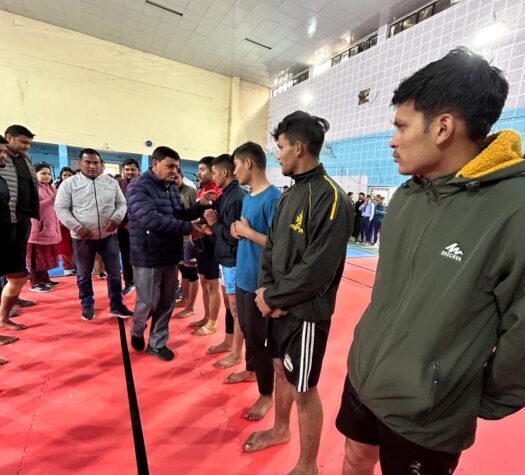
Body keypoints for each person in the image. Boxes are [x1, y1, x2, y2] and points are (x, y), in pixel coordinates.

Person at [336, 47, 525, 475]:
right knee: (354, 458)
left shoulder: (514, 209)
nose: (392, 140)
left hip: (428, 412)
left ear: (442, 128)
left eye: (401, 126)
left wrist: (465, 394)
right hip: (364, 377)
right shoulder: (408, 196)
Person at [244, 111, 353, 475]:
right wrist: (265, 292)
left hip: (306, 314)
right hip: (277, 307)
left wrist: (274, 299)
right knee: (279, 370)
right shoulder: (289, 196)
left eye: (280, 147)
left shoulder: (332, 199)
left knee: (304, 389)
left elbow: (317, 269)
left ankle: (308, 466)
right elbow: (272, 250)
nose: (277, 154)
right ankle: (280, 429)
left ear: (299, 147)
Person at [126, 146, 213, 361]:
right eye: (170, 166)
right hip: (147, 255)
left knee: (167, 301)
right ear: (155, 164)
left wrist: (199, 206)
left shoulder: (171, 188)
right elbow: (151, 219)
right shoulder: (138, 186)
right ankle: (137, 328)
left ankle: (157, 343)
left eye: (176, 167)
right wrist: (189, 228)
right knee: (147, 301)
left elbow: (179, 215)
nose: (174, 171)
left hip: (170, 253)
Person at [229, 141, 281, 420]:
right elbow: (245, 227)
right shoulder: (249, 197)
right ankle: (250, 370)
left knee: (260, 340)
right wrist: (236, 229)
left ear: (248, 163)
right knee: (248, 330)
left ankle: (266, 394)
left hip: (260, 281)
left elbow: (278, 245)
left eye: (236, 165)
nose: (234, 171)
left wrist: (248, 233)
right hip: (243, 274)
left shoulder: (273, 199)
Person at [55, 148, 132, 320]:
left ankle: (117, 304)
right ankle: (87, 303)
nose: (92, 166)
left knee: (114, 272)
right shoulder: (69, 184)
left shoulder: (111, 183)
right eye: (88, 162)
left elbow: (122, 204)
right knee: (83, 273)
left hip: (108, 236)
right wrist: (76, 227)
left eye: (95, 162)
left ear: (101, 164)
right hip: (82, 238)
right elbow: (61, 208)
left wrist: (116, 218)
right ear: (80, 163)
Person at [201, 154, 246, 369]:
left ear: (225, 172)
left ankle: (237, 353)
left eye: (215, 173)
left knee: (236, 309)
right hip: (224, 258)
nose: (213, 177)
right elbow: (221, 229)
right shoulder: (225, 195)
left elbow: (234, 234)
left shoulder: (237, 197)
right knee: (229, 306)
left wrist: (214, 224)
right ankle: (229, 341)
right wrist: (211, 227)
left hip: (233, 260)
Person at [0, 124, 40, 331]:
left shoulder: (25, 160)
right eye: (23, 142)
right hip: (5, 221)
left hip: (21, 219)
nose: (27, 147)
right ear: (9, 137)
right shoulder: (4, 163)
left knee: (18, 275)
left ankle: (4, 316)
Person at [27, 163, 61, 292]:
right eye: (43, 173)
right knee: (37, 257)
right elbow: (33, 207)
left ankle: (45, 279)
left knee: (46, 256)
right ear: (34, 174)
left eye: (49, 173)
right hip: (37, 229)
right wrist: (52, 198)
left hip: (50, 227)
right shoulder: (32, 188)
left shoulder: (49, 188)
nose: (47, 176)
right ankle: (35, 282)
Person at [0, 135, 19, 360]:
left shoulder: (2, 178)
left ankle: (3, 319)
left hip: (6, 234)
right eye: (0, 152)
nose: (4, 155)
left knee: (18, 278)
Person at [174, 168, 199, 319]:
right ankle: (184, 299)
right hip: (175, 238)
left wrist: (191, 230)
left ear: (182, 177)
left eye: (176, 177)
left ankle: (191, 307)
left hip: (188, 238)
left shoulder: (191, 191)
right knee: (182, 270)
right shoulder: (169, 192)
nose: (174, 180)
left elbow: (197, 214)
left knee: (191, 273)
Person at [117, 158, 141, 295]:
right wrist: (124, 223)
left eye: (133, 169)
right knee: (126, 256)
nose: (130, 172)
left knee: (142, 256)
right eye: (127, 169)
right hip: (122, 228)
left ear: (138, 170)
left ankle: (142, 282)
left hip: (141, 228)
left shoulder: (146, 185)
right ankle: (129, 282)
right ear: (123, 171)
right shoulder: (118, 184)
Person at [54, 167, 76, 276]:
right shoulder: (56, 189)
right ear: (61, 176)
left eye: (69, 175)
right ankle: (67, 268)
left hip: (77, 220)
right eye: (64, 175)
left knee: (77, 245)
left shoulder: (79, 187)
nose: (67, 177)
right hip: (62, 221)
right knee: (65, 247)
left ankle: (77, 266)